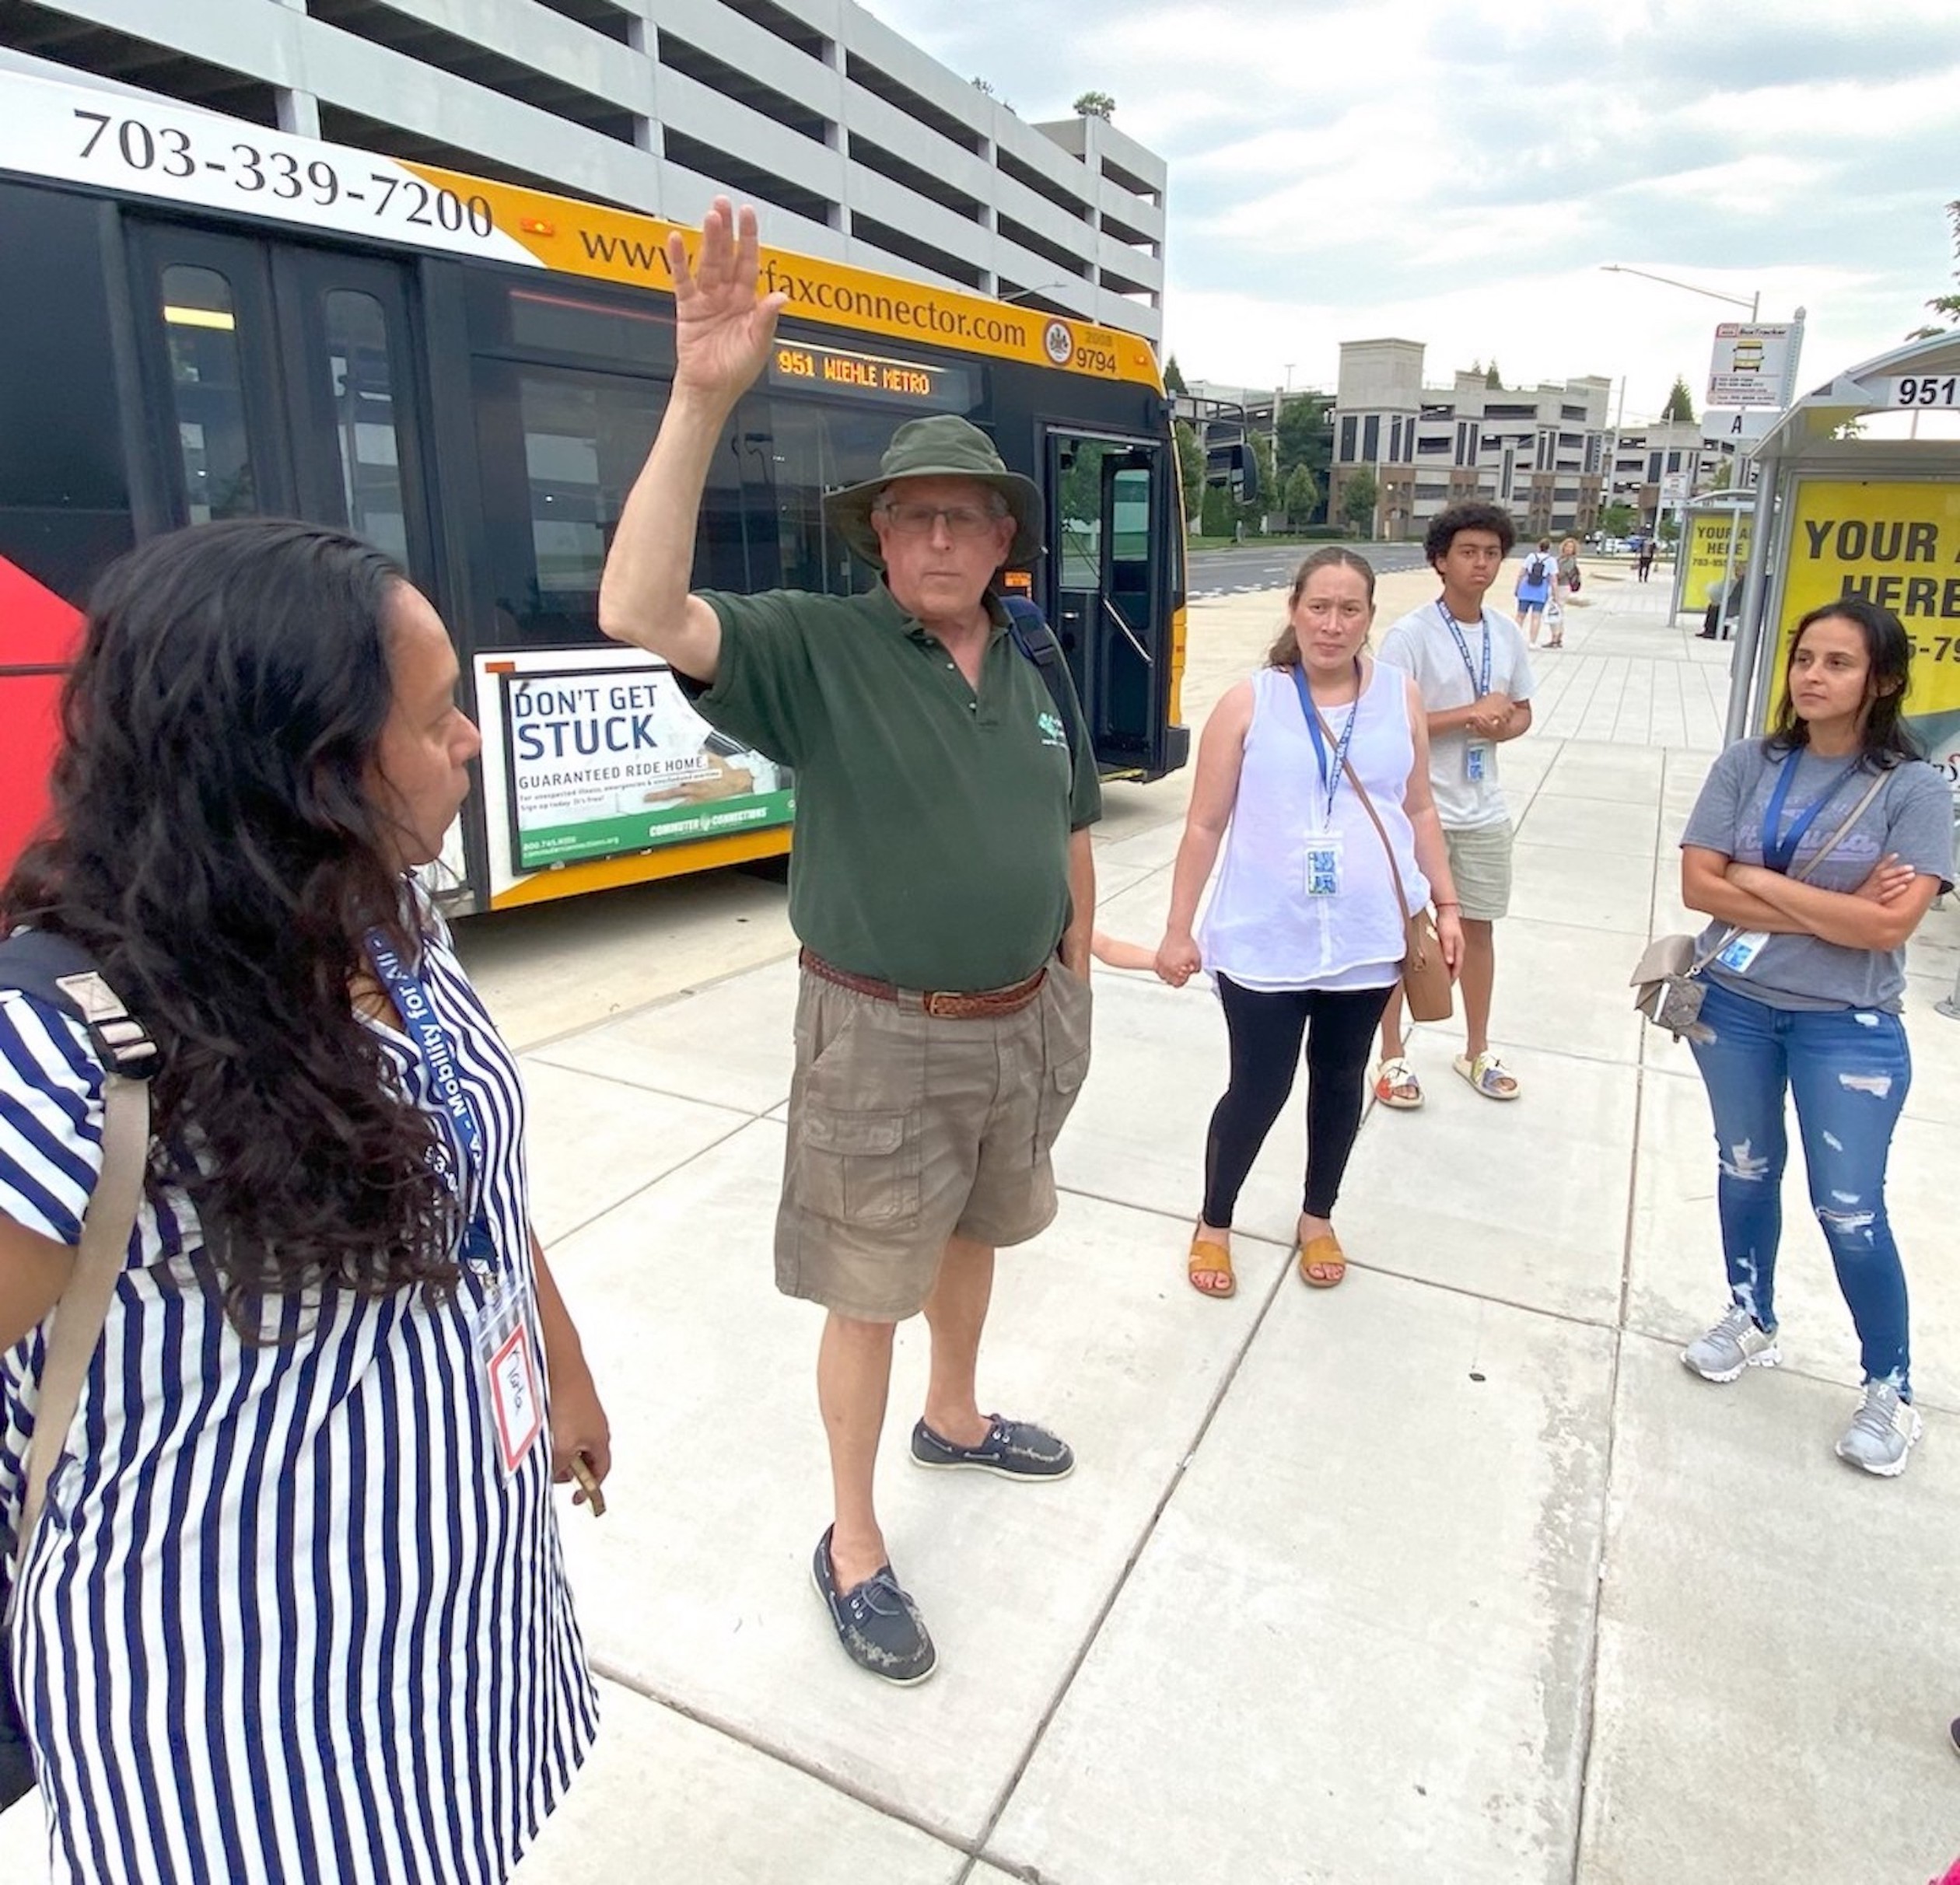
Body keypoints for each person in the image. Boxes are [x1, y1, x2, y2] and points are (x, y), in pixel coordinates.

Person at [0, 519, 607, 1881]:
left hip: (456, 1618)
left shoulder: (388, 915)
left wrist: (558, 1363)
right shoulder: (61, 1046)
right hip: (240, 1720)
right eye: (435, 715)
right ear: (303, 767)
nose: (470, 739)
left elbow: (467, 1164)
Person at [597, 201, 1097, 1686]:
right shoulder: (818, 650)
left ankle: (957, 1414)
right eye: (913, 515)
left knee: (978, 1234)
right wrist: (701, 396)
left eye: (966, 515)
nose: (940, 536)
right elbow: (638, 605)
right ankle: (856, 1538)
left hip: (1023, 1018)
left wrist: (1074, 973)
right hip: (881, 1030)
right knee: (867, 1284)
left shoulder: (1036, 655)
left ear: (1003, 539)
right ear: (879, 536)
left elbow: (1070, 817)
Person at [1676, 597, 1951, 1477]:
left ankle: (1889, 1389)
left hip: (1848, 1026)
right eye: (1805, 658)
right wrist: (1837, 906)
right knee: (1745, 1168)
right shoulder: (1747, 765)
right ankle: (1751, 1314)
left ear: (1884, 681)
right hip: (1734, 1006)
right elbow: (1698, 887)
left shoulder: (1914, 790)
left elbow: (1887, 929)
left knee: (1850, 1208)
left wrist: (1757, 880)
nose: (1813, 676)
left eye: (1838, 663)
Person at [1154, 549, 1461, 1298]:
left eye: (1349, 609)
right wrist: (1178, 928)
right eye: (1318, 607)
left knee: (1340, 1082)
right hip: (1266, 938)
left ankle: (1317, 1215)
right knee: (1258, 1088)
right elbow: (1204, 825)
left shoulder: (1399, 697)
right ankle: (1215, 1222)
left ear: (1369, 617)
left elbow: (1419, 808)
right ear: (1294, 610)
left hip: (1365, 939)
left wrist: (1447, 905)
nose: (1332, 624)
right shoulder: (1250, 702)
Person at [1371, 501, 1535, 1108]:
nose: (1481, 564)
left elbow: (1523, 711)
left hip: (1483, 808)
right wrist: (1469, 715)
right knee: (1406, 935)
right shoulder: (1411, 636)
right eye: (1467, 552)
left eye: (1491, 553)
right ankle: (1391, 1055)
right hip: (1419, 810)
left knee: (1480, 929)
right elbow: (1390, 722)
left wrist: (1501, 725)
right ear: (1440, 560)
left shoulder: (1506, 634)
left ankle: (1477, 1048)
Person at [1514, 537, 1555, 647]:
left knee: (1520, 616)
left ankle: (1515, 639)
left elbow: (1522, 573)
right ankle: (1532, 641)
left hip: (1526, 588)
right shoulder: (1551, 561)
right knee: (1536, 617)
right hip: (1540, 590)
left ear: (1538, 546)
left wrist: (1517, 587)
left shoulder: (1531, 557)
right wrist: (1554, 594)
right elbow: (1553, 579)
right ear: (1549, 548)